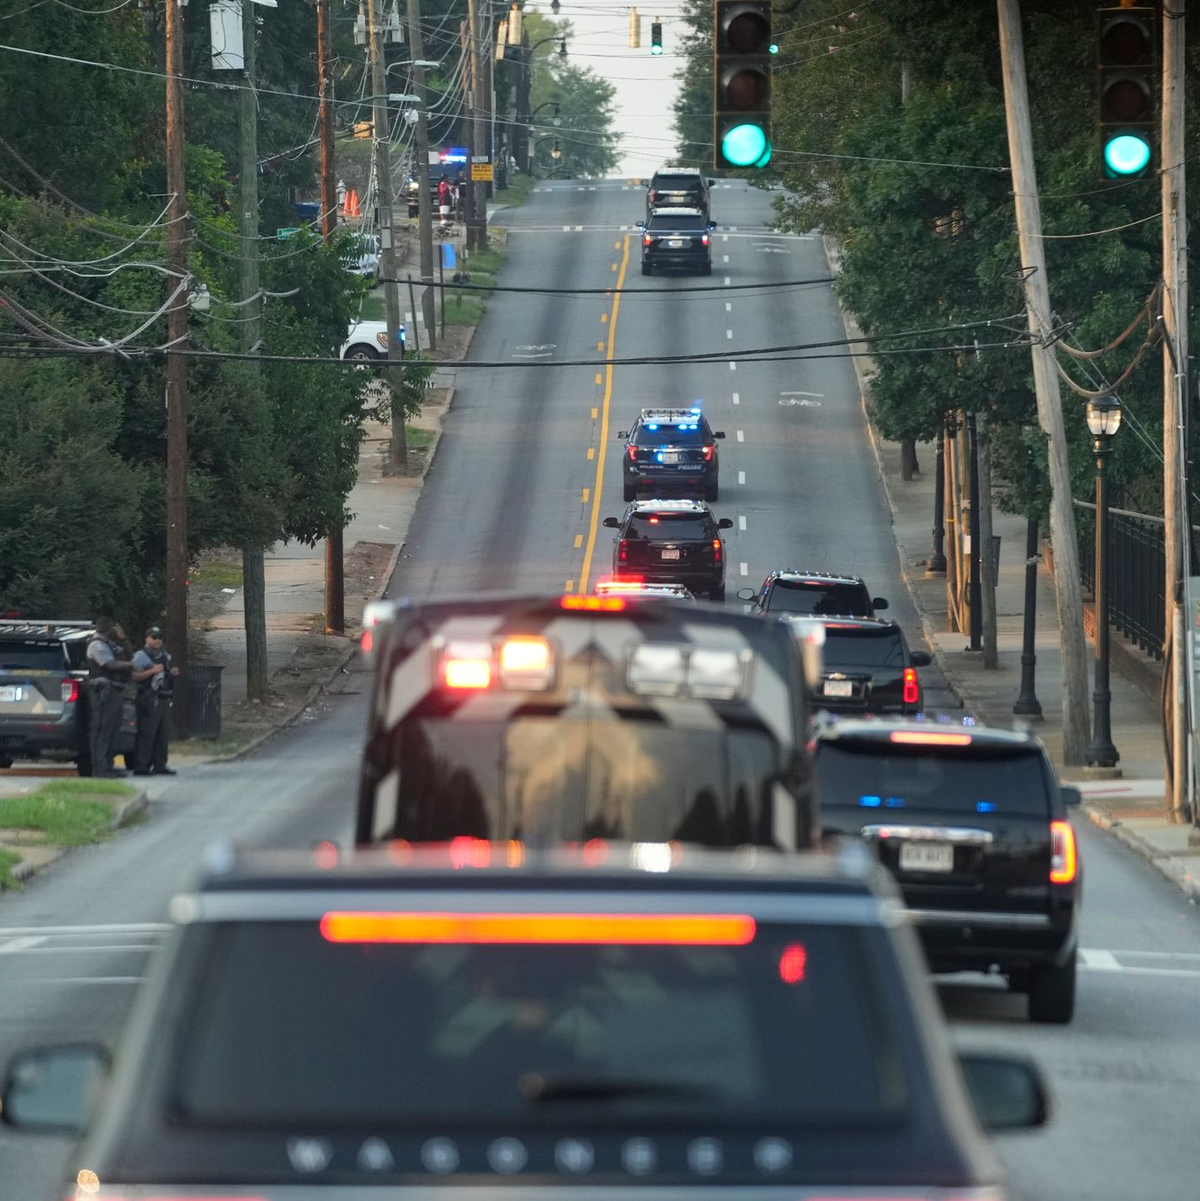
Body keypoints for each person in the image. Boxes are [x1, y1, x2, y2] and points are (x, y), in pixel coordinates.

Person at [85, 617, 134, 778]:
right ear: (108, 628)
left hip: (115, 690)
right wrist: (129, 665)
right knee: (103, 731)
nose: (116, 630)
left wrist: (124, 640)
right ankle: (100, 768)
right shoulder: (97, 645)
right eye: (114, 627)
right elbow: (109, 665)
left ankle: (108, 765)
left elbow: (129, 656)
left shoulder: (111, 644)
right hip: (104, 692)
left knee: (113, 731)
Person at [130, 626, 179, 777]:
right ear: (147, 639)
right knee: (147, 734)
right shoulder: (140, 656)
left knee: (162, 734)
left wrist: (172, 672)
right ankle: (141, 766)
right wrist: (152, 671)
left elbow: (166, 673)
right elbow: (134, 676)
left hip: (163, 698)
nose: (157, 640)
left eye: (159, 637)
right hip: (148, 699)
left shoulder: (164, 655)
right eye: (154, 637)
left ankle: (160, 764)